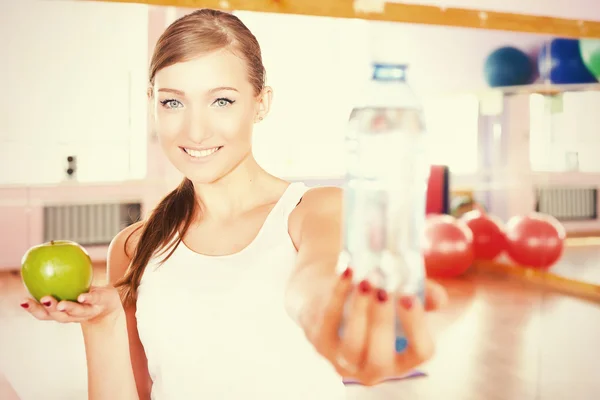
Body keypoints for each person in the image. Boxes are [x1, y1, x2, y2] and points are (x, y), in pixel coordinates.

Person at [19, 8, 448, 400]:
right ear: (152, 105)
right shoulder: (133, 247)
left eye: (221, 100)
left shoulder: (313, 211)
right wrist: (101, 323)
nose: (196, 130)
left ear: (261, 104)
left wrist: (325, 321)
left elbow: (312, 286)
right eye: (173, 102)